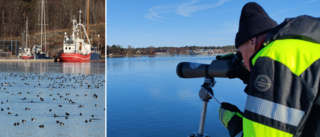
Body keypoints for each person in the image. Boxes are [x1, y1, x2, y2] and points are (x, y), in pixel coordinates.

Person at [218, 2, 320, 137]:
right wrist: (252, 78)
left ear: (252, 42)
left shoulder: (273, 56)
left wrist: (234, 125)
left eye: (241, 54)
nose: (242, 61)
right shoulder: (307, 45)